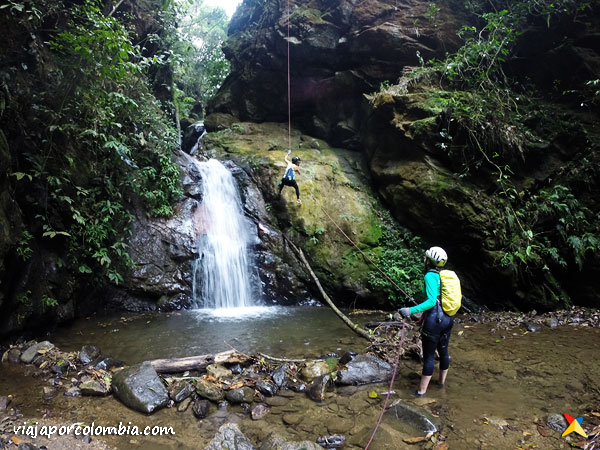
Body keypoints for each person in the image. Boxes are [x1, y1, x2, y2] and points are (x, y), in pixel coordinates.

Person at [399, 246, 454, 397]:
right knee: (444, 351)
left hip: (435, 320)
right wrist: (422, 318)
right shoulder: (444, 276)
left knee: (429, 356)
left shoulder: (430, 275)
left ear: (428, 261)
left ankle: (421, 392)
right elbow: (439, 300)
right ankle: (441, 384)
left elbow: (431, 302)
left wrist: (410, 310)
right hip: (448, 318)